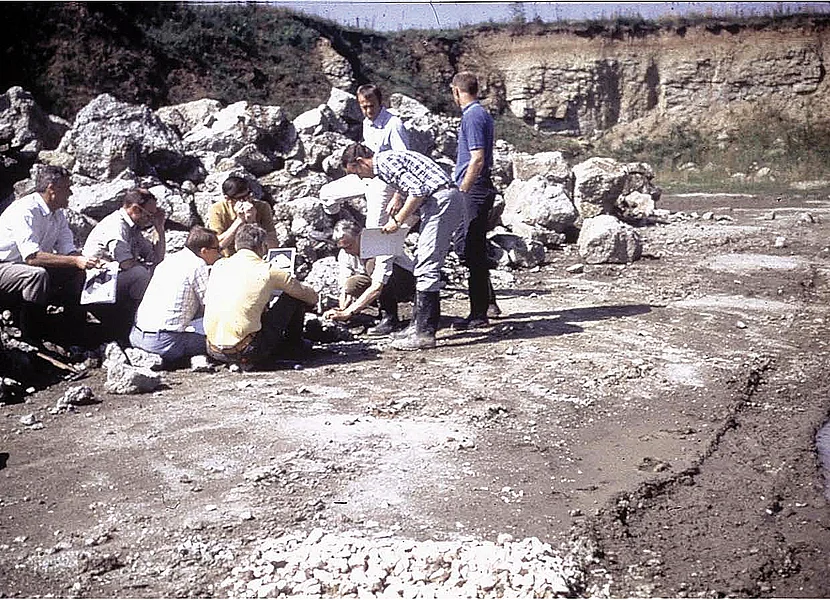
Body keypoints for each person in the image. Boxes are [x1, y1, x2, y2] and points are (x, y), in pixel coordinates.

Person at [341, 143, 466, 351]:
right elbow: (414, 183)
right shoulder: (389, 160)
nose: (361, 178)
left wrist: (397, 221)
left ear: (361, 163)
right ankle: (417, 325)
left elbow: (418, 191)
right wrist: (399, 200)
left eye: (357, 173)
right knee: (422, 262)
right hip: (440, 199)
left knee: (427, 265)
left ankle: (425, 332)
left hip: (441, 200)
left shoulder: (385, 163)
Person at [0, 165, 104, 346]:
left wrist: (87, 262)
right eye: (67, 188)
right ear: (52, 189)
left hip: (25, 265)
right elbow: (32, 257)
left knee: (77, 271)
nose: (70, 193)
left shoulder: (57, 214)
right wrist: (75, 260)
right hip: (5, 265)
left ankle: (70, 328)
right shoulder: (26, 210)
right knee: (36, 275)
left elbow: (68, 250)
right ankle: (31, 335)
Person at [203, 223, 318, 369]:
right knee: (294, 297)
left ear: (237, 245)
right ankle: (293, 346)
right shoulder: (268, 270)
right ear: (262, 246)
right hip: (248, 350)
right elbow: (310, 297)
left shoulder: (219, 266)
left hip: (213, 350)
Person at [451, 71, 502, 329]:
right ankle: (488, 303)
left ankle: (479, 313)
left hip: (474, 188)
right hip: (478, 187)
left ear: (456, 91)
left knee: (469, 245)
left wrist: (462, 189)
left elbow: (477, 158)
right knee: (470, 245)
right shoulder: (480, 113)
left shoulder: (472, 116)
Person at [129, 226, 222, 366]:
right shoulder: (198, 265)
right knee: (222, 339)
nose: (219, 254)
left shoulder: (169, 260)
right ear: (204, 251)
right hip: (163, 342)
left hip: (137, 336)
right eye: (217, 249)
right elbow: (210, 306)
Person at [82, 187, 166, 338]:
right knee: (141, 274)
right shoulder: (117, 226)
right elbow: (125, 263)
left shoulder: (133, 228)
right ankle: (135, 320)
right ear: (135, 209)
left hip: (114, 278)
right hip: (98, 282)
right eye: (149, 215)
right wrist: (148, 268)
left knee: (154, 271)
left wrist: (159, 229)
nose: (150, 219)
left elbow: (156, 258)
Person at [323, 219, 415, 336]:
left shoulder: (378, 245)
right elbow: (344, 281)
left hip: (405, 281)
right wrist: (343, 307)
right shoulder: (345, 253)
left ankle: (390, 318)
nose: (347, 251)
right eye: (343, 247)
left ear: (360, 237)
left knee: (371, 265)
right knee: (351, 285)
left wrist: (349, 312)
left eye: (350, 246)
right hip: (377, 282)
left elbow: (378, 284)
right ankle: (378, 312)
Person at [357, 84, 410, 228]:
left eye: (372, 106)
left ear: (380, 102)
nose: (368, 111)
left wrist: (398, 196)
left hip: (387, 181)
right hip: (368, 173)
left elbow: (404, 161)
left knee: (374, 226)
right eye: (364, 107)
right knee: (328, 194)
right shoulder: (366, 123)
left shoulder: (394, 125)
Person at [208, 175, 278, 257]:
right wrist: (239, 221)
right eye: (240, 198)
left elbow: (273, 244)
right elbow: (217, 246)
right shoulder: (217, 210)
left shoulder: (262, 207)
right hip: (229, 258)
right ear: (228, 199)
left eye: (248, 195)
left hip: (258, 257)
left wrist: (253, 222)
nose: (246, 200)